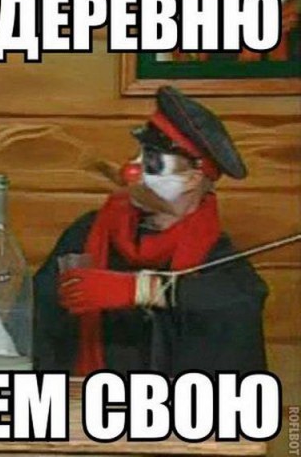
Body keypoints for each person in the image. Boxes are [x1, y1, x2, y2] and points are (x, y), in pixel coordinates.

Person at [34, 86, 268, 376]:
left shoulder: (214, 253)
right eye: (137, 156)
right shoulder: (88, 232)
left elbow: (240, 303)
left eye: (152, 162)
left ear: (193, 179)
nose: (131, 171)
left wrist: (142, 290)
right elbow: (41, 314)